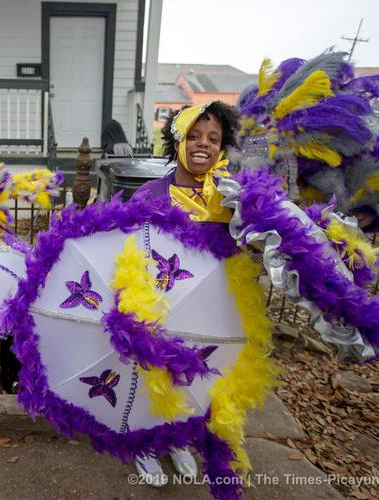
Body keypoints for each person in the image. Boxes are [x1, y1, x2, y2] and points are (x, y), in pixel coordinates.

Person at [132, 101, 241, 487]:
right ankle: (144, 444)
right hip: (158, 306)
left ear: (223, 146)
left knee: (192, 376)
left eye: (213, 138)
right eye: (193, 136)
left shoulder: (232, 199)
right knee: (150, 374)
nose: (203, 145)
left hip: (208, 308)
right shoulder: (150, 195)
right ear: (176, 141)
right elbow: (123, 251)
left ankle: (176, 439)